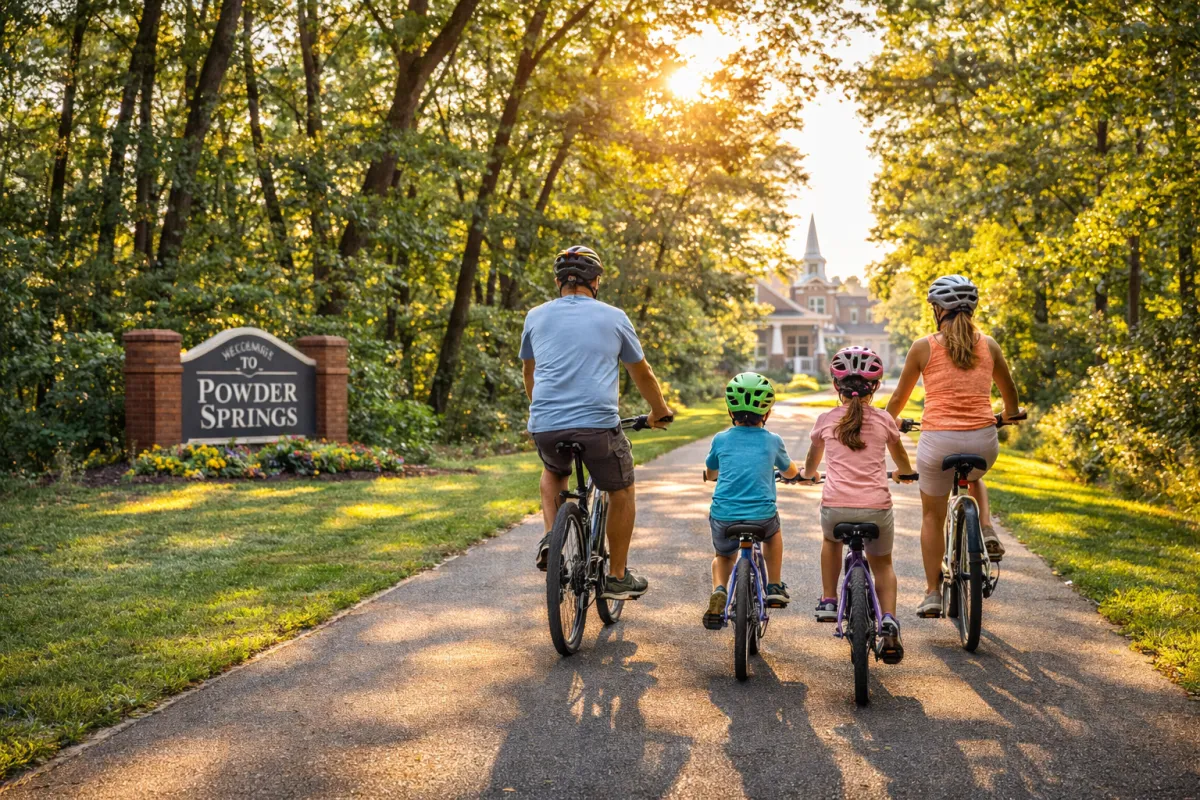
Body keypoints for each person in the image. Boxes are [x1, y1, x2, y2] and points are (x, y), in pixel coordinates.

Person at [521, 245, 674, 601]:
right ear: (596, 281)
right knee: (621, 489)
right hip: (598, 427)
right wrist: (659, 411)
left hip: (546, 423)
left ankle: (551, 539)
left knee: (553, 472)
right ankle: (617, 577)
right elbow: (642, 372)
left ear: (558, 281)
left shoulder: (535, 316)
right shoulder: (614, 316)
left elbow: (530, 372)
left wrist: (542, 411)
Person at [885, 274, 1023, 619]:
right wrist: (1006, 416)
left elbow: (897, 401)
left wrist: (889, 420)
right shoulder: (989, 345)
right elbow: (1011, 397)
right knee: (975, 475)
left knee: (932, 515)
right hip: (983, 441)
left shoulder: (923, 347)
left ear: (937, 310)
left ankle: (933, 592)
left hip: (937, 443)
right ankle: (986, 528)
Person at [803, 346, 913, 663]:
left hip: (836, 509)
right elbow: (901, 459)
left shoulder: (826, 420)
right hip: (876, 510)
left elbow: (812, 463)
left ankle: (827, 599)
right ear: (875, 386)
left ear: (836, 386)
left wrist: (809, 477)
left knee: (830, 540)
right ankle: (889, 618)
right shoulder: (884, 421)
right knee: (884, 565)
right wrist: (904, 474)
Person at [701, 373, 800, 629]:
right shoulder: (773, 441)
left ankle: (720, 589)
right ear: (766, 413)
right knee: (773, 535)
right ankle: (775, 584)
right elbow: (790, 472)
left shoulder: (720, 439)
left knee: (723, 556)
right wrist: (796, 476)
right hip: (762, 518)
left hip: (724, 517)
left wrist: (712, 476)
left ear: (730, 409)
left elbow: (711, 470)